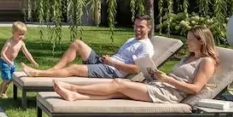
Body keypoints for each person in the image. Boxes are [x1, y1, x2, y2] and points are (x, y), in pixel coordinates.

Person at [51, 27, 219, 103]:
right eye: (187, 39)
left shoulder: (206, 62)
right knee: (117, 92)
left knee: (118, 84)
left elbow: (195, 89)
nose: (187, 42)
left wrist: (167, 79)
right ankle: (76, 97)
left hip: (169, 94)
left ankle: (73, 88)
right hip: (160, 85)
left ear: (202, 41)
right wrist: (156, 75)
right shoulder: (188, 58)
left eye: (190, 40)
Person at [22, 15, 155, 79]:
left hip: (113, 72)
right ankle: (53, 69)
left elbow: (137, 69)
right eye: (136, 26)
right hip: (106, 63)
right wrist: (108, 59)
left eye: (141, 27)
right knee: (77, 43)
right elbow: (121, 56)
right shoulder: (131, 40)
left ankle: (37, 73)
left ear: (149, 28)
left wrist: (112, 62)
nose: (137, 29)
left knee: (74, 68)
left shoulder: (146, 47)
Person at [0, 21, 38, 97]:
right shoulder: (9, 42)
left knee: (12, 78)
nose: (21, 36)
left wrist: (33, 61)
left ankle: (0, 87)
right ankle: (3, 92)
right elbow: (2, 53)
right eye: (19, 34)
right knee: (7, 78)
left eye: (23, 34)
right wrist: (8, 62)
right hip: (4, 62)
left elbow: (27, 53)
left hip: (11, 62)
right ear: (13, 32)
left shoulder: (21, 43)